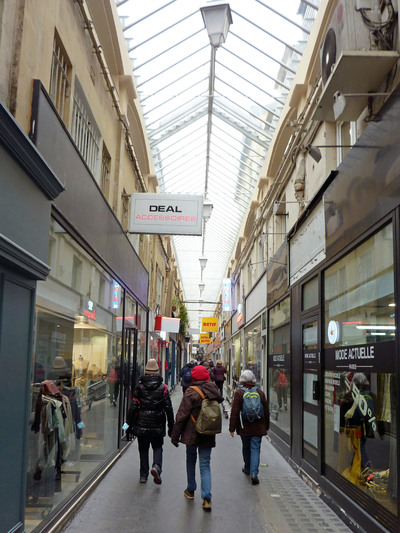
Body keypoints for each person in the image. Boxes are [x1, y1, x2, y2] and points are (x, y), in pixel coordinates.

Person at [171, 364, 223, 511]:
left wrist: (175, 436)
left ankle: (190, 489)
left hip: (191, 433)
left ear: (193, 378)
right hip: (208, 432)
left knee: (191, 459)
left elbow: (181, 416)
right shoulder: (213, 391)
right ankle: (207, 498)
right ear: (207, 376)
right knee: (205, 464)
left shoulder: (190, 392)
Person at [129, 359, 174, 484]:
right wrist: (171, 427)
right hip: (158, 423)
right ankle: (157, 467)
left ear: (146, 372)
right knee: (158, 447)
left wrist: (127, 426)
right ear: (158, 372)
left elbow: (133, 407)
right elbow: (168, 409)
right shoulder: (163, 388)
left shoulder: (139, 387)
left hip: (141, 422)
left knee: (143, 449)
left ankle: (143, 475)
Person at [229, 369, 270, 485]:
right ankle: (254, 473)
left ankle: (247, 468)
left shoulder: (239, 393)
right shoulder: (260, 393)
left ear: (242, 380)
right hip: (258, 427)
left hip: (244, 427)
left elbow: (235, 412)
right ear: (253, 380)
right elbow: (266, 411)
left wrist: (232, 428)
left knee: (246, 447)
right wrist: (266, 426)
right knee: (255, 449)